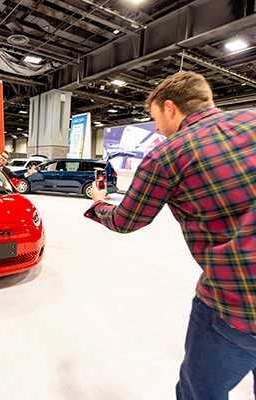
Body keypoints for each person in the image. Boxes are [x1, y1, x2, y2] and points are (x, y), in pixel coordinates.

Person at [84, 71, 256, 400]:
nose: (158, 129)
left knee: (199, 392)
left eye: (154, 119)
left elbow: (127, 220)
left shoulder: (167, 156)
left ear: (170, 107)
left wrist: (99, 204)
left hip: (235, 305)